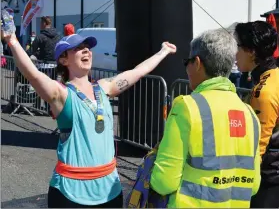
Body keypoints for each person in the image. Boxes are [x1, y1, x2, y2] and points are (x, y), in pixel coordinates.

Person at [2, 18, 176, 207]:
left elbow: (137, 72)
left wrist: (163, 51)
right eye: (78, 48)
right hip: (71, 193)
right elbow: (33, 74)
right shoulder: (61, 94)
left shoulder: (104, 88)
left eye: (87, 47)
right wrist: (12, 40)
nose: (86, 50)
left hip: (109, 189)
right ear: (63, 59)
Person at [150, 28, 261, 208]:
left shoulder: (186, 107)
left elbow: (164, 182)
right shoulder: (249, 114)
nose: (186, 68)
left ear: (198, 63)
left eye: (187, 62)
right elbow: (253, 185)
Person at [234, 21, 279, 208]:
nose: (234, 53)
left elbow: (258, 148)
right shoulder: (277, 75)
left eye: (237, 46)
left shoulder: (264, 91)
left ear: (252, 52)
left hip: (267, 179)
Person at [31, 16, 61, 111]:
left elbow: (32, 50)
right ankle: (50, 108)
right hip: (55, 65)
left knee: (40, 86)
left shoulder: (41, 36)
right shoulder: (58, 36)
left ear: (44, 23)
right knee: (52, 88)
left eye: (41, 23)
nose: (40, 25)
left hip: (43, 65)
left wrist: (36, 53)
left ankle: (37, 106)